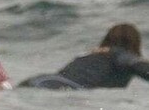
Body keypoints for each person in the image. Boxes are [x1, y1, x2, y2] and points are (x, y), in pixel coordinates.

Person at [19, 23, 149, 89]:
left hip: (39, 80)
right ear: (135, 43)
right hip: (61, 87)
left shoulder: (91, 53)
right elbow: (138, 66)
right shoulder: (120, 54)